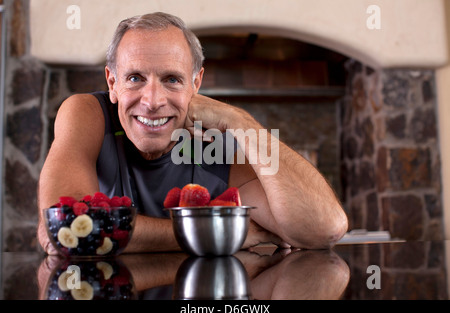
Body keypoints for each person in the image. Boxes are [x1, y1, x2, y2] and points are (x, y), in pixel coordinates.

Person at [37, 12, 348, 255]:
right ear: (112, 82)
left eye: (172, 79)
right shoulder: (87, 114)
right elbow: (70, 228)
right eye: (134, 78)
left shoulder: (211, 144)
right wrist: (218, 235)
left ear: (196, 84)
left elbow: (324, 229)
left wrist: (239, 121)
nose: (153, 101)